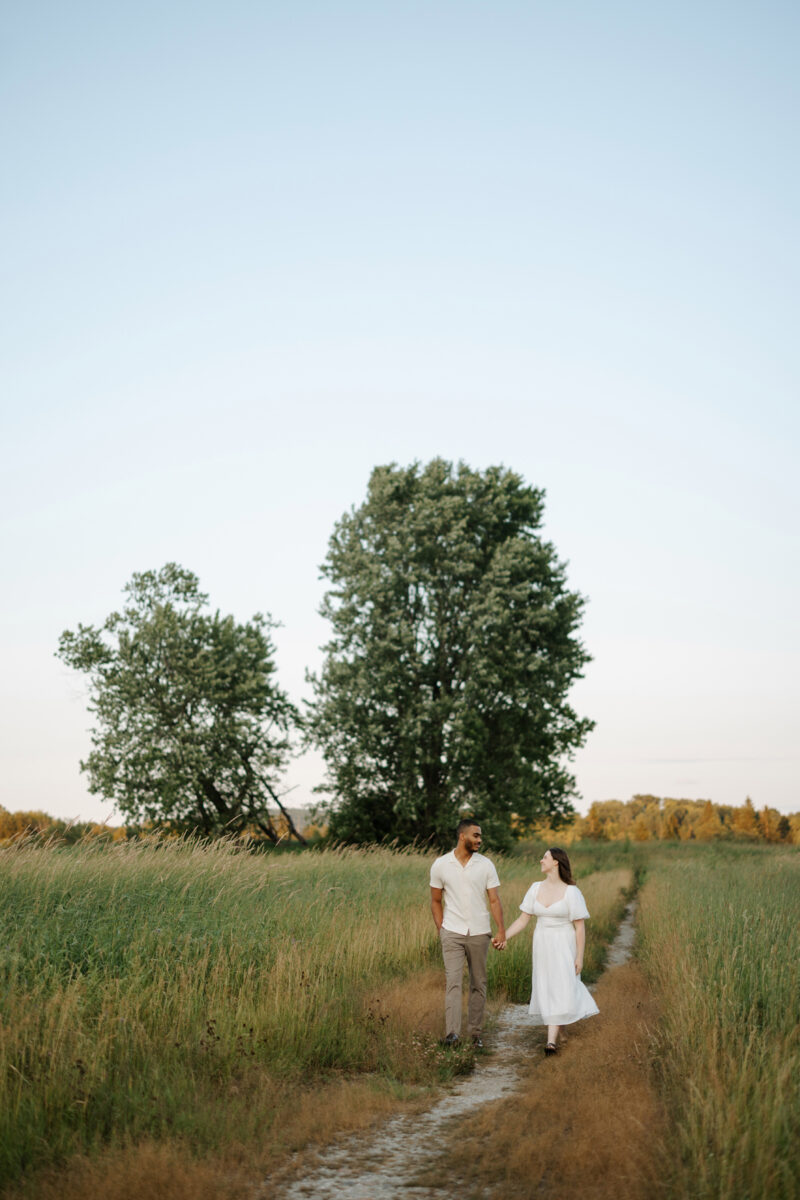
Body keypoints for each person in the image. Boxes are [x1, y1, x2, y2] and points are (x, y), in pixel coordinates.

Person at [493, 846, 598, 1054]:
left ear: (556, 862)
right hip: (542, 944)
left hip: (564, 944)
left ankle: (550, 1042)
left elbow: (579, 927)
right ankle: (561, 1032)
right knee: (548, 987)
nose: (541, 861)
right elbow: (523, 920)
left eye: (545, 857)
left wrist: (579, 957)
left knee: (562, 986)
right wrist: (504, 937)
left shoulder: (572, 892)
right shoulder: (535, 888)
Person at [430, 818, 506, 1048]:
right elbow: (435, 901)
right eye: (476, 835)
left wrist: (501, 931)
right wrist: (442, 929)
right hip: (452, 932)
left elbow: (494, 900)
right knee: (453, 983)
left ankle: (475, 1035)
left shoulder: (486, 865)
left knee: (478, 984)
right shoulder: (440, 865)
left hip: (479, 932)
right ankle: (452, 1035)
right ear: (462, 836)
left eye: (480, 836)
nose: (479, 840)